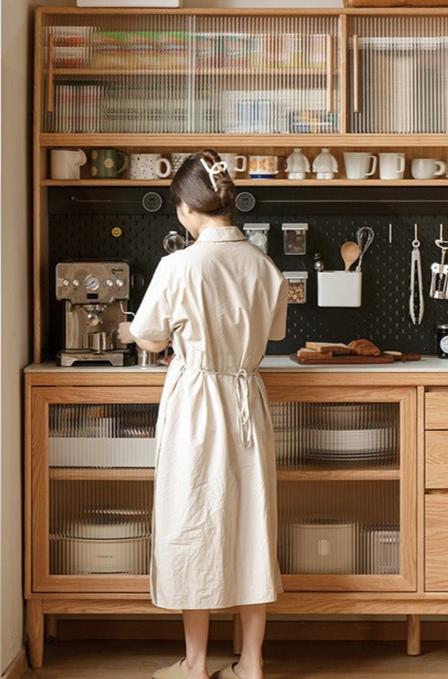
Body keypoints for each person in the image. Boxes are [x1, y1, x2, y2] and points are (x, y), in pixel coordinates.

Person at [118, 149, 288, 679]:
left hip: (197, 404)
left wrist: (134, 333)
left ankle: (195, 664)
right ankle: (252, 663)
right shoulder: (263, 264)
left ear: (187, 209)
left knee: (193, 521)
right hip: (245, 400)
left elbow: (148, 335)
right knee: (250, 525)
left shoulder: (178, 265)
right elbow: (275, 333)